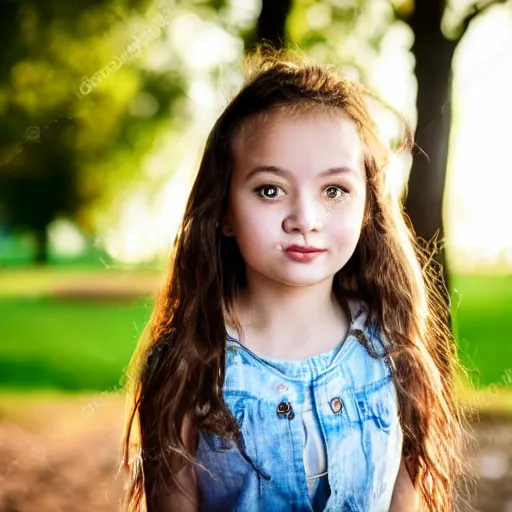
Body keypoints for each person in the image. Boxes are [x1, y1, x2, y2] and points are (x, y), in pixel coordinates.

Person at [119, 47, 471, 512]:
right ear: (222, 209)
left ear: (367, 208)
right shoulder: (186, 362)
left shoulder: (394, 349)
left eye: (334, 190)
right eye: (270, 189)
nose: (305, 218)